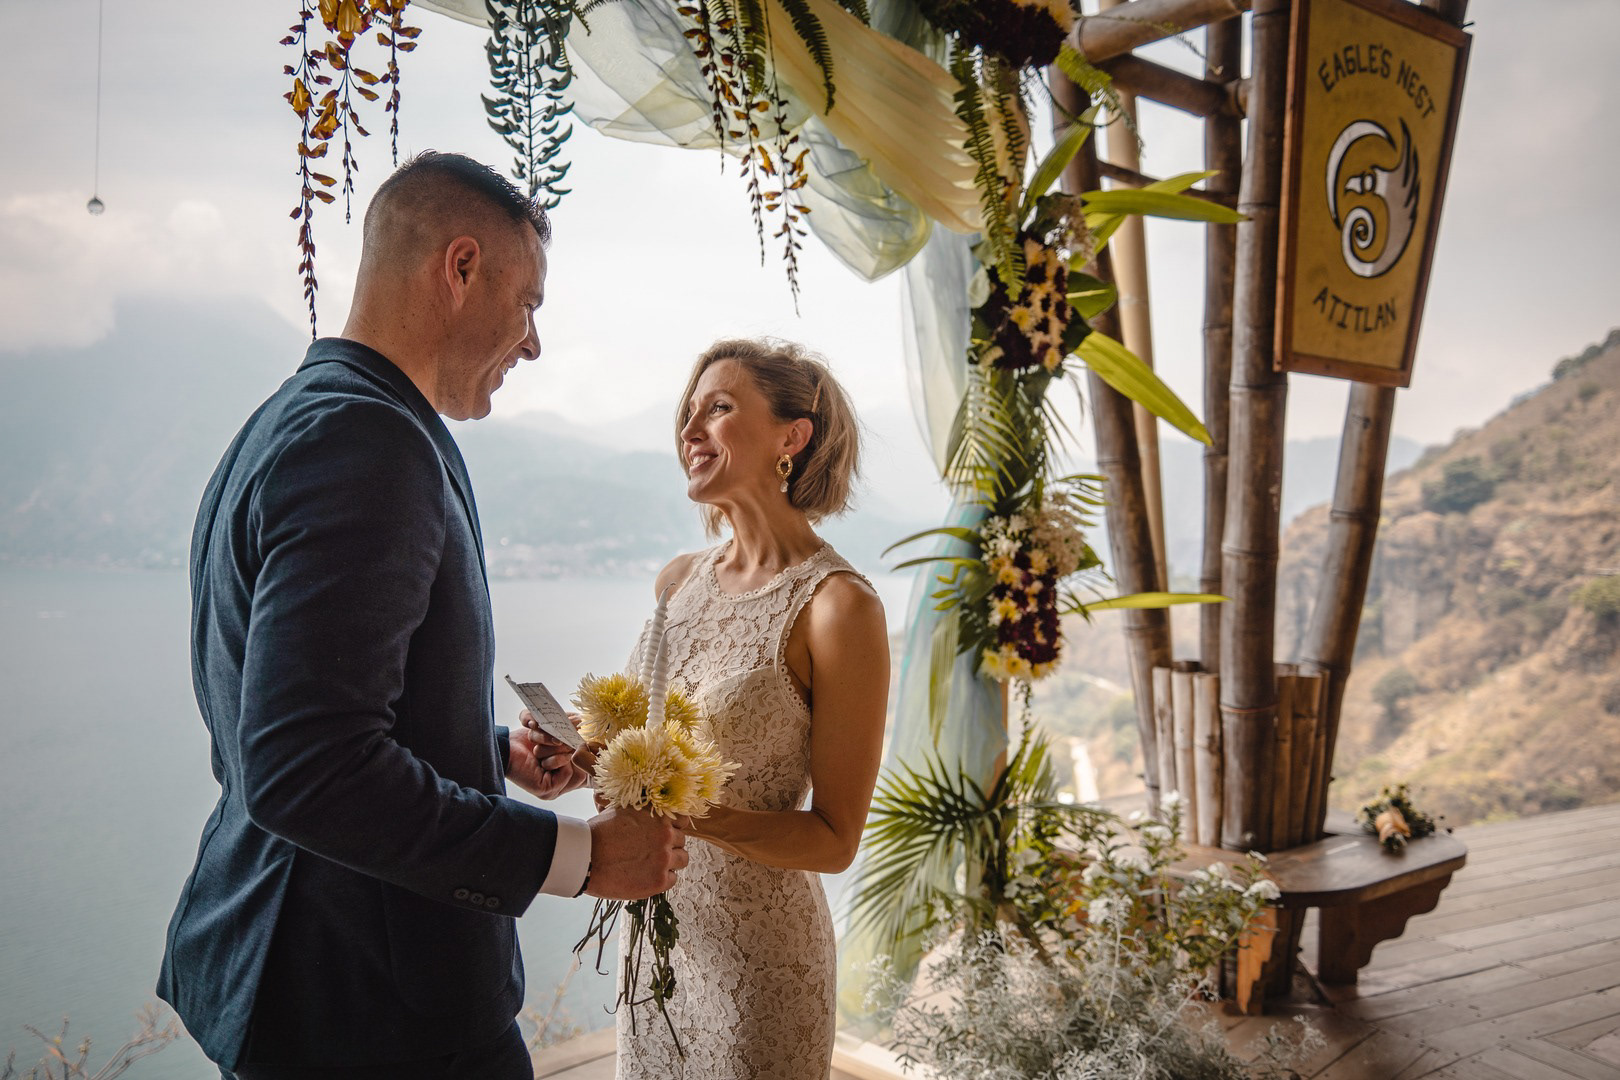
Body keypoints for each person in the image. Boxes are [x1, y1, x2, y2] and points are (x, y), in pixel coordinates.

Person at [157, 151, 688, 1080]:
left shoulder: (285, 420)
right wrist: (581, 859)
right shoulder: (369, 443)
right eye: (528, 305)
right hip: (373, 1009)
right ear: (461, 267)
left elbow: (295, 720)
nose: (532, 344)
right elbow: (307, 769)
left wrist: (488, 752)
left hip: (301, 977)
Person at [610, 339, 891, 1080]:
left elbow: (834, 841)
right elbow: (637, 740)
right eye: (688, 414)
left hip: (762, 968)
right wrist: (584, 758)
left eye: (720, 408)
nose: (690, 431)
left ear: (791, 437)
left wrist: (686, 814)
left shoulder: (838, 608)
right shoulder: (678, 581)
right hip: (656, 946)